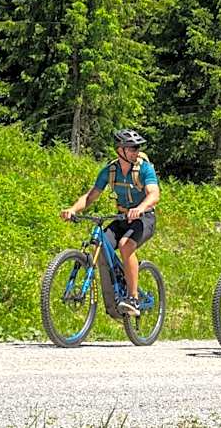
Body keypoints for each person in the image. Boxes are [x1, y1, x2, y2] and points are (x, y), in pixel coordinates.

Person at [60, 129, 160, 316]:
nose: (136, 151)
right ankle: (115, 296)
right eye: (132, 148)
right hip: (122, 217)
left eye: (137, 148)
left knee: (125, 245)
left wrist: (140, 208)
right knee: (99, 244)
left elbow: (154, 194)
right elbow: (90, 197)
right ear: (120, 150)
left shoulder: (144, 168)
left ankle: (133, 298)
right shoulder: (110, 171)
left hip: (144, 218)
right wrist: (73, 209)